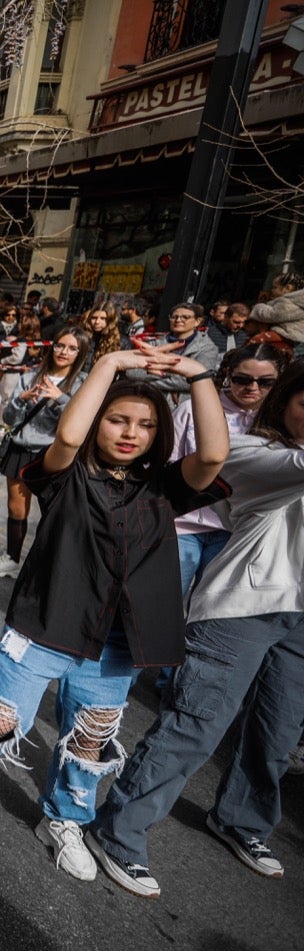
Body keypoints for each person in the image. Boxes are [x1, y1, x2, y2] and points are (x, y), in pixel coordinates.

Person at [0, 344, 229, 885]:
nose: (131, 432)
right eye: (117, 419)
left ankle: (63, 820)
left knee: (90, 739)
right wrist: (109, 364)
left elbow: (215, 457)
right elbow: (65, 437)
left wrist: (198, 374)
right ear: (97, 420)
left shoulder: (163, 487)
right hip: (44, 623)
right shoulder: (63, 475)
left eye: (146, 425)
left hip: (119, 641)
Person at [88, 360, 304, 897]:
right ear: (286, 405)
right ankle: (118, 832)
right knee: (195, 726)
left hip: (299, 620)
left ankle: (240, 821)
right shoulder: (257, 451)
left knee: (276, 734)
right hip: (240, 608)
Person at [168, 343, 287, 596]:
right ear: (228, 374)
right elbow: (168, 461)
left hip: (235, 529)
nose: (252, 388)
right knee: (167, 602)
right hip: (183, 524)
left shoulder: (278, 422)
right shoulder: (192, 409)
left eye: (265, 382)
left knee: (208, 607)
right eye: (242, 379)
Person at [0, 329, 90, 578]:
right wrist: (21, 399)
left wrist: (62, 399)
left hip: (53, 453)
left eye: (72, 348)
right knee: (16, 508)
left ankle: (44, 568)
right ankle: (11, 558)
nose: (64, 352)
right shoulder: (30, 376)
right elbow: (7, 417)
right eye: (60, 346)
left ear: (81, 353)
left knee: (53, 513)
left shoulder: (82, 383)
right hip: (21, 447)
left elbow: (83, 421)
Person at [124, 303, 221, 397]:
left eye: (185, 317)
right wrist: (178, 372)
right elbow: (132, 372)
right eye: (174, 317)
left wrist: (148, 382)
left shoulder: (207, 348)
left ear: (197, 321)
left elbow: (196, 381)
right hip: (150, 400)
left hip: (183, 406)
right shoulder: (154, 343)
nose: (178, 320)